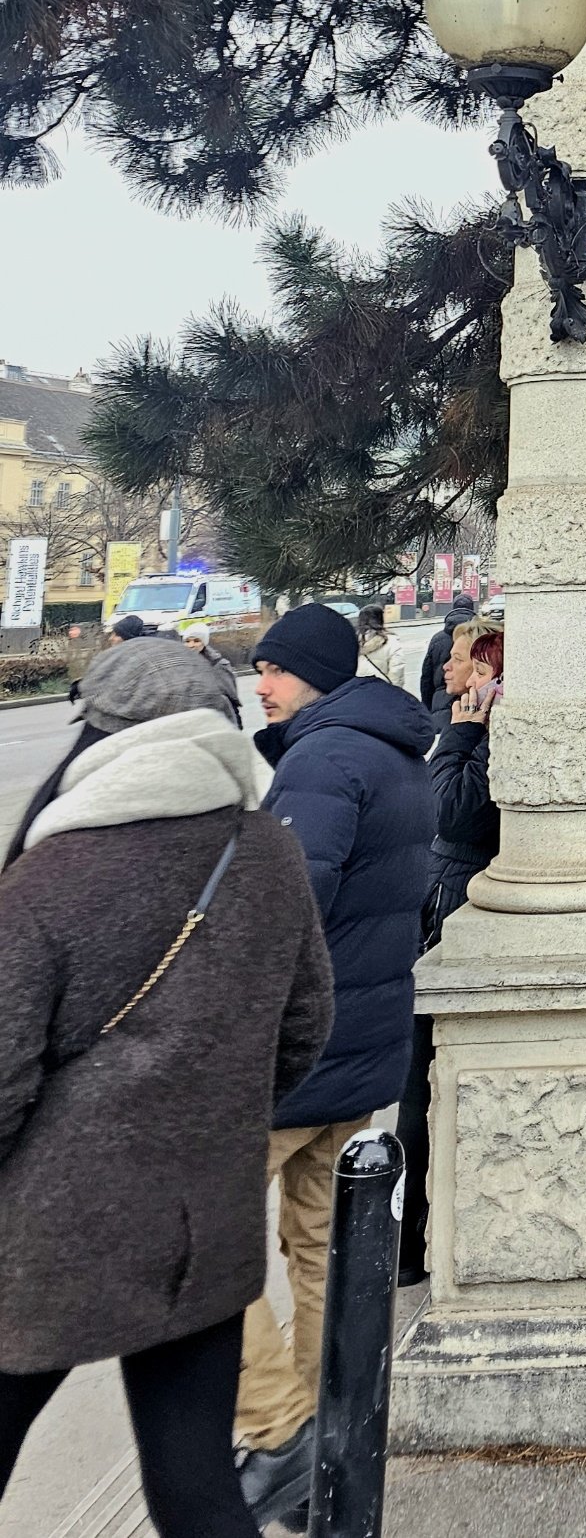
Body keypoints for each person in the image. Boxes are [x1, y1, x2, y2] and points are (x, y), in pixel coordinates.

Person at [0, 639, 333, 1538]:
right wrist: (211, 1110)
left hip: (47, 1236)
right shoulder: (264, 850)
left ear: (99, 732)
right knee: (197, 1492)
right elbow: (305, 1028)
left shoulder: (49, 875)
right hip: (201, 1220)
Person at [234, 602, 433, 1527]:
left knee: (195, 1241)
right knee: (319, 1248)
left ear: (314, 674)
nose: (260, 685)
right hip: (360, 1046)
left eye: (273, 670)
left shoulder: (320, 761)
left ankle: (275, 1430)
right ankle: (332, 1434)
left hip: (296, 1052)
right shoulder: (392, 751)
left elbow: (284, 908)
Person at [395, 617, 502, 1280]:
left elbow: (452, 813)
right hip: (446, 894)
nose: (445, 669)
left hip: (456, 902)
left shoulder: (489, 727)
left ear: (486, 674)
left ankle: (411, 1245)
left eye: (459, 661)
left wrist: (461, 733)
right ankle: (411, 1241)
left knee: (420, 1086)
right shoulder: (476, 721)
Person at [417, 596, 476, 727]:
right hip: (471, 699)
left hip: (440, 700)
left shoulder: (438, 639)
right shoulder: (477, 636)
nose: (446, 667)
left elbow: (426, 678)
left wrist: (427, 708)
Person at [182, 629, 244, 720]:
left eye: (196, 641)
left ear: (204, 643)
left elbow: (230, 700)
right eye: (187, 641)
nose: (191, 645)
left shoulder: (218, 665)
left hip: (218, 719)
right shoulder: (181, 666)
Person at [351, 603, 401, 686]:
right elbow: (397, 671)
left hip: (357, 690)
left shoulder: (352, 641)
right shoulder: (391, 641)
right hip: (382, 690)